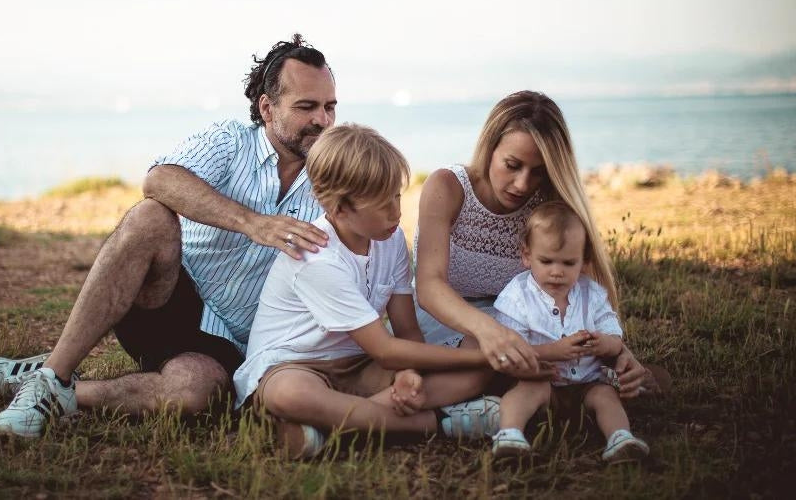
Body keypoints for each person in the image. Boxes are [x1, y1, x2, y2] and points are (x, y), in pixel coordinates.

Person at [0, 34, 338, 438]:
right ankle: (55, 373)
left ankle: (53, 389)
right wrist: (254, 223)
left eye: (329, 107)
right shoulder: (231, 141)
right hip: (168, 294)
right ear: (267, 108)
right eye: (306, 107)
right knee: (150, 218)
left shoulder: (335, 174)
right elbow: (160, 179)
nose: (322, 120)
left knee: (196, 394)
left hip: (232, 342)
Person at [234, 124, 522, 459]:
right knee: (289, 396)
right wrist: (487, 356)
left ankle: (328, 427)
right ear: (339, 209)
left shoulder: (392, 239)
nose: (396, 212)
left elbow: (407, 329)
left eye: (397, 196)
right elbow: (385, 349)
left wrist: (410, 375)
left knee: (470, 376)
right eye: (381, 204)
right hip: (294, 365)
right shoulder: (316, 258)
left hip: (359, 364)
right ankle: (437, 422)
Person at [413, 91, 661, 397]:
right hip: (450, 318)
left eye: (539, 171)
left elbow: (581, 291)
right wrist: (492, 331)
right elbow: (428, 286)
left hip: (524, 323)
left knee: (551, 362)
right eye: (512, 165)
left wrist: (618, 352)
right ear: (490, 148)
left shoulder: (549, 206)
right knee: (493, 359)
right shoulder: (448, 187)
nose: (523, 184)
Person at [490, 201, 649, 462]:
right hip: (544, 384)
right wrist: (553, 352)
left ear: (584, 261)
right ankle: (509, 436)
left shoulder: (592, 294)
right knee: (524, 393)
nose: (556, 271)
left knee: (606, 395)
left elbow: (614, 336)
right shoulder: (517, 297)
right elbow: (511, 352)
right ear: (526, 255)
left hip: (587, 385)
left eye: (568, 263)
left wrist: (604, 344)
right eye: (546, 261)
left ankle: (620, 439)